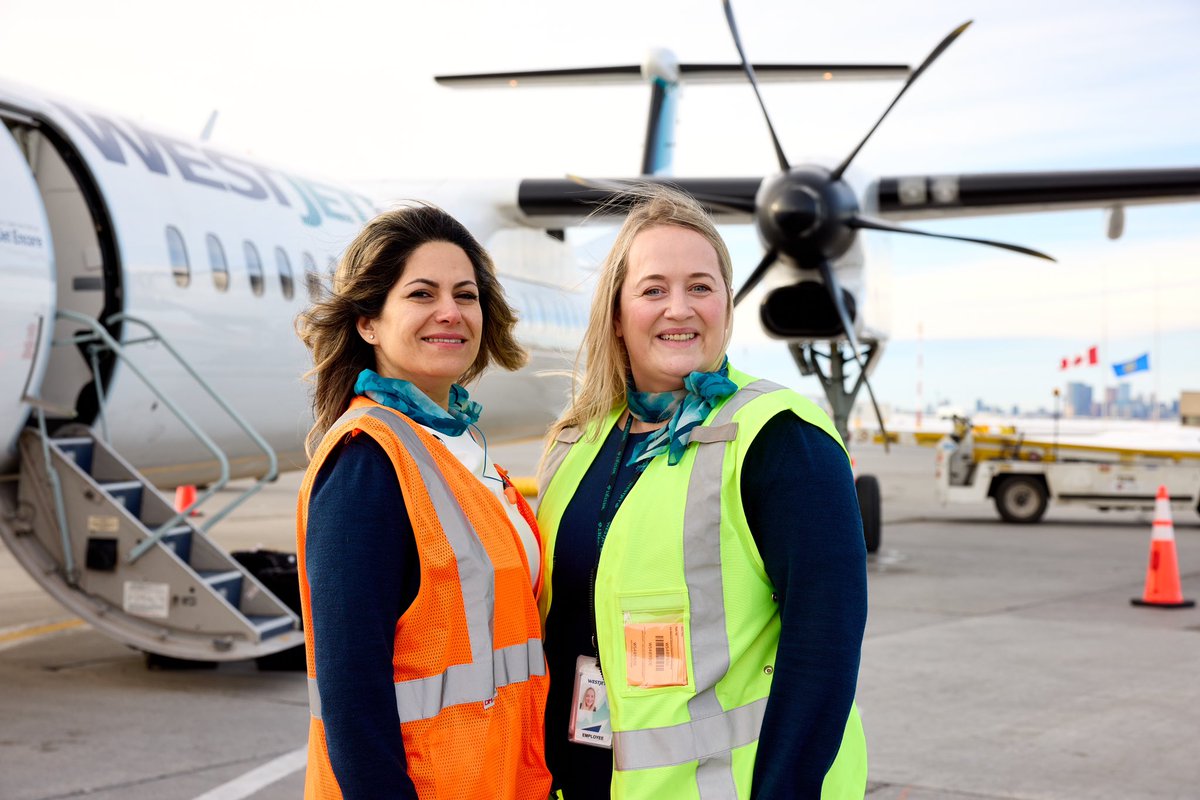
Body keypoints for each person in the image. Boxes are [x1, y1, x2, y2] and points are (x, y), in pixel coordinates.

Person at [536, 188, 868, 799]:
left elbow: (822, 652)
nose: (679, 309)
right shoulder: (578, 444)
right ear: (616, 313)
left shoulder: (779, 439)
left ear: (726, 305)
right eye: (654, 289)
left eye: (701, 286)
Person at [295, 205, 551, 799]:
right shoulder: (369, 461)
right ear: (368, 322)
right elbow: (352, 697)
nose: (450, 312)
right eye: (421, 293)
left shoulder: (458, 446)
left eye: (466, 295)